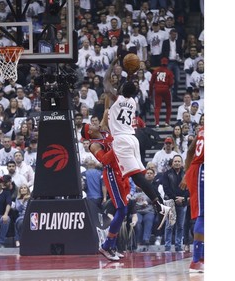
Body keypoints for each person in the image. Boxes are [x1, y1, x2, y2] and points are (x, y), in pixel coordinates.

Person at [103, 56, 172, 229]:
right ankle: (159, 204)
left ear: (120, 91)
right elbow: (127, 88)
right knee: (140, 176)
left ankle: (159, 206)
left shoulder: (116, 99)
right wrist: (130, 74)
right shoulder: (133, 101)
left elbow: (105, 82)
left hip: (122, 141)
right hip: (133, 139)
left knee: (137, 177)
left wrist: (113, 64)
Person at [80, 118, 130, 261]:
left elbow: (107, 110)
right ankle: (106, 246)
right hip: (111, 174)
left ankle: (111, 245)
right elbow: (104, 161)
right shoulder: (94, 145)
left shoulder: (103, 131)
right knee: (122, 210)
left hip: (121, 170)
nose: (95, 123)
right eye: (92, 124)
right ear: (90, 131)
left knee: (123, 211)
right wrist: (116, 147)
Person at [180, 125, 204, 273]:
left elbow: (190, 151)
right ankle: (196, 261)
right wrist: (188, 174)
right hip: (201, 170)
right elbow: (189, 151)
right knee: (203, 215)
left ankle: (201, 257)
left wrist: (186, 173)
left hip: (196, 169)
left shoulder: (202, 129)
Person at [162, 155, 189, 252]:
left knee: (180, 226)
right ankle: (167, 247)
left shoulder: (186, 174)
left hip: (182, 203)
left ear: (181, 163)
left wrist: (183, 198)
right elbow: (166, 188)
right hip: (170, 202)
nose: (177, 163)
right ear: (172, 163)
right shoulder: (166, 174)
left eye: (179, 161)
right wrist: (175, 198)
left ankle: (178, 246)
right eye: (175, 161)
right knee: (169, 225)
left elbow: (189, 188)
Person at [133, 168, 159, 246]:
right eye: (147, 173)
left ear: (154, 175)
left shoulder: (154, 186)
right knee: (137, 222)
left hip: (149, 210)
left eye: (151, 173)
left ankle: (146, 240)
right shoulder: (136, 185)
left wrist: (147, 201)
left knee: (148, 220)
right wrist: (137, 200)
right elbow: (132, 197)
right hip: (138, 210)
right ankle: (137, 241)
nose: (149, 174)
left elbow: (157, 198)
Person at [149, 57, 174, 128]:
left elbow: (151, 83)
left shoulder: (155, 71)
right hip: (165, 89)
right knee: (168, 106)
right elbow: (171, 83)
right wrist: (167, 87)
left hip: (157, 89)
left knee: (157, 107)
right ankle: (166, 122)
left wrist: (150, 93)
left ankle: (157, 123)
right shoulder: (169, 72)